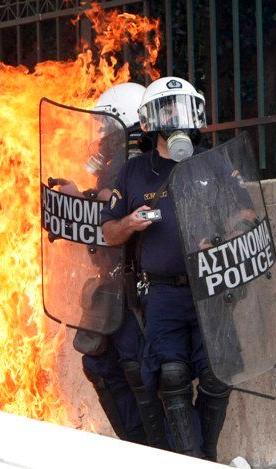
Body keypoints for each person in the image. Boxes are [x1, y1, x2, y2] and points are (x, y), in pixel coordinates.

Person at [100, 76, 231, 461]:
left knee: (217, 374)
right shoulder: (134, 172)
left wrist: (224, 235)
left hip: (211, 284)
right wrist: (130, 224)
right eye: (168, 109)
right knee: (170, 377)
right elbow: (109, 233)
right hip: (162, 294)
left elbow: (243, 212)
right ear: (151, 121)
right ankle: (189, 461)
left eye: (184, 109)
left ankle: (206, 457)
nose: (177, 118)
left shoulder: (214, 162)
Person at [70, 82, 170, 450]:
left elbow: (119, 206)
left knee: (135, 367)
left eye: (106, 125)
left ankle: (157, 453)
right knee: (99, 365)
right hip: (108, 283)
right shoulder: (108, 162)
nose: (100, 133)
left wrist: (83, 198)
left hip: (136, 285)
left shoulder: (138, 163)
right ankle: (136, 449)